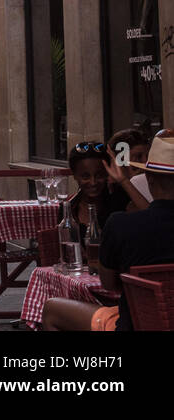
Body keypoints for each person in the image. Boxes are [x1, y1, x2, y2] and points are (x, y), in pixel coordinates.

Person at [41, 129, 174, 331]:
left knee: (51, 309)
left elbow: (109, 284)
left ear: (149, 179)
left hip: (133, 324)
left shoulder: (120, 223)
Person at [105, 127, 152, 210]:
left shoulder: (153, 187)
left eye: (148, 156)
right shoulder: (108, 193)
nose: (145, 162)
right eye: (138, 156)